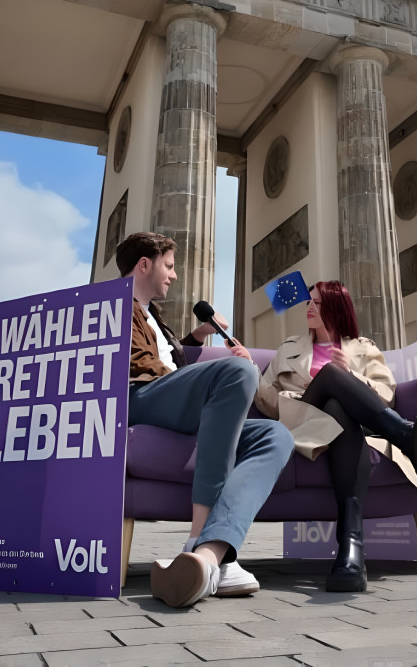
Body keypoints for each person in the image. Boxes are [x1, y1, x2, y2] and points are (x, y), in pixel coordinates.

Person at [116, 232, 294, 608]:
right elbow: (141, 365)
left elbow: (159, 354)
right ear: (144, 265)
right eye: (169, 265)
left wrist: (195, 336)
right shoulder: (114, 305)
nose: (175, 275)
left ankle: (210, 556)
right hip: (140, 398)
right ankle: (198, 536)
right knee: (239, 372)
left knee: (276, 436)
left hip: (168, 398)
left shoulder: (152, 315)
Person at [257, 280, 417, 592]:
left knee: (338, 404)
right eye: (309, 301)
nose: (309, 307)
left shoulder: (363, 347)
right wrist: (251, 373)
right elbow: (268, 404)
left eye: (318, 303)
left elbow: (386, 394)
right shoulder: (288, 348)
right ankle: (405, 434)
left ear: (336, 307)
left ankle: (351, 552)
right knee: (331, 378)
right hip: (304, 421)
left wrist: (352, 375)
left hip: (350, 426)